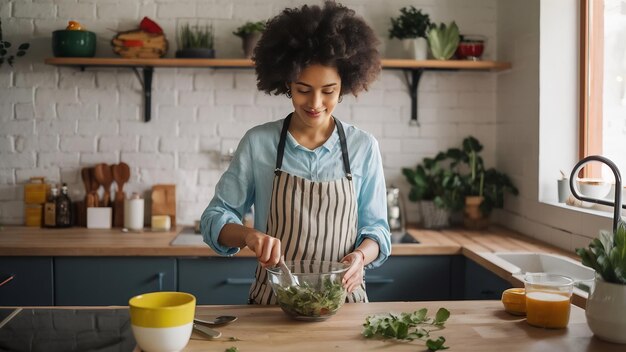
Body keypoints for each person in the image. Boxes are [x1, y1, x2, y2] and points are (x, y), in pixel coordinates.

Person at [201, 0, 391, 305]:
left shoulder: (363, 147)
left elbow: (378, 232)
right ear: (287, 82)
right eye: (303, 89)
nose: (315, 103)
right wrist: (249, 236)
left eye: (328, 91)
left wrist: (360, 256)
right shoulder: (258, 143)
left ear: (344, 86)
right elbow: (214, 219)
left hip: (343, 306)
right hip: (273, 308)